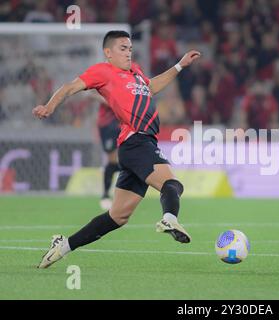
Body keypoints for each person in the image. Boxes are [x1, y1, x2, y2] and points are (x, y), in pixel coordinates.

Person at [33, 30, 201, 268]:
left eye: (130, 48)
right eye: (123, 48)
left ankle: (63, 246)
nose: (128, 53)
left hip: (138, 144)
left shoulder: (137, 72)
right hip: (136, 141)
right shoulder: (103, 71)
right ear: (108, 52)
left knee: (117, 217)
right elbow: (70, 87)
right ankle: (169, 219)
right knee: (172, 185)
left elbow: (151, 87)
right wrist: (49, 107)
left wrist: (180, 65)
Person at [96, 100, 120, 211]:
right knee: (113, 160)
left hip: (120, 122)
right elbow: (90, 93)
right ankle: (106, 194)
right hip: (107, 125)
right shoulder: (104, 83)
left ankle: (108, 194)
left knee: (121, 159)